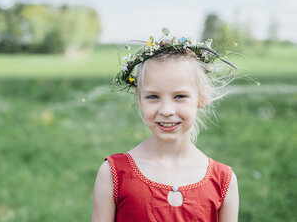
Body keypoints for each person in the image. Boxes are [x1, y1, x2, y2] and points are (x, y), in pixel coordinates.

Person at [92, 29, 239, 222]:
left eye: (180, 96)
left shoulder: (223, 181)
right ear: (139, 97)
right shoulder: (113, 174)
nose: (167, 110)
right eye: (153, 96)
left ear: (201, 97)